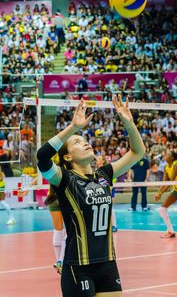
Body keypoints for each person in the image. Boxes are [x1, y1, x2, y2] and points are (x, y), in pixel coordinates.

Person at [37, 96, 145, 297]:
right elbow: (42, 157)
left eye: (85, 140)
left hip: (107, 263)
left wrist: (129, 123)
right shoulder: (64, 179)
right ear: (68, 157)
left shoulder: (104, 174)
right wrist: (72, 128)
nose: (85, 143)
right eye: (78, 142)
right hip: (78, 267)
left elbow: (138, 152)